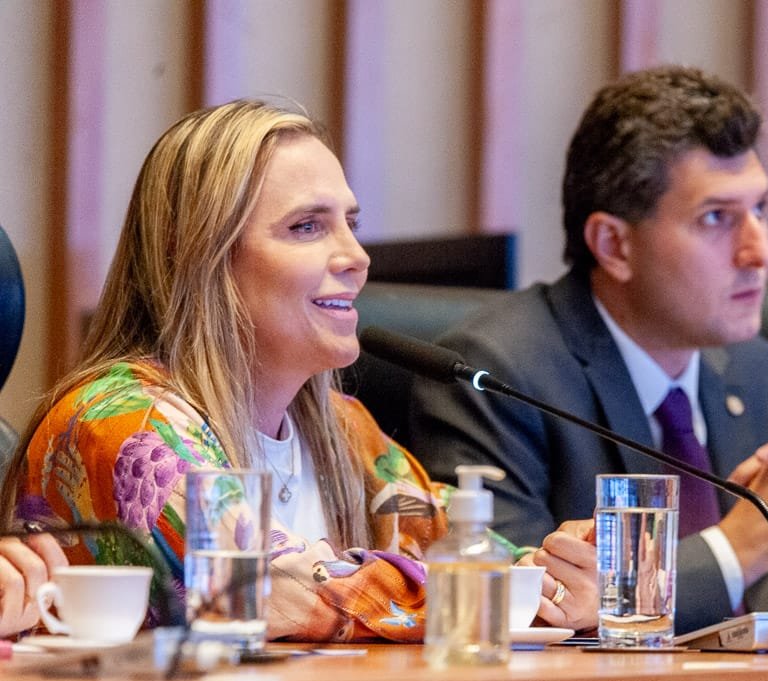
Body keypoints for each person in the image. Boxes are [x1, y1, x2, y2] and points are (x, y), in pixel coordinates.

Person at [0, 99, 524, 641]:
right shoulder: (124, 423)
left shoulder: (344, 428)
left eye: (351, 224)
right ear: (197, 255)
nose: (357, 257)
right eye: (307, 227)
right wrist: (485, 590)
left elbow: (472, 550)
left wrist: (558, 572)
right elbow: (263, 591)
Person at [410, 65, 768, 634]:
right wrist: (734, 552)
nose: (760, 251)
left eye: (759, 211)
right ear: (614, 244)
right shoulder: (495, 374)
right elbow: (512, 608)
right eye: (717, 218)